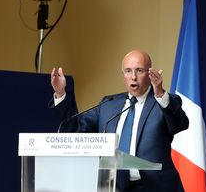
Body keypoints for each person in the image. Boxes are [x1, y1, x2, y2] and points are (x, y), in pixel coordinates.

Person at [49, 50, 189, 192]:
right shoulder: (108, 104)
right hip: (115, 187)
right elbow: (75, 128)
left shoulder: (163, 102)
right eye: (128, 71)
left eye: (139, 71)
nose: (133, 77)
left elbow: (180, 124)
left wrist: (160, 93)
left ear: (149, 74)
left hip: (156, 187)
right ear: (123, 75)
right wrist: (61, 94)